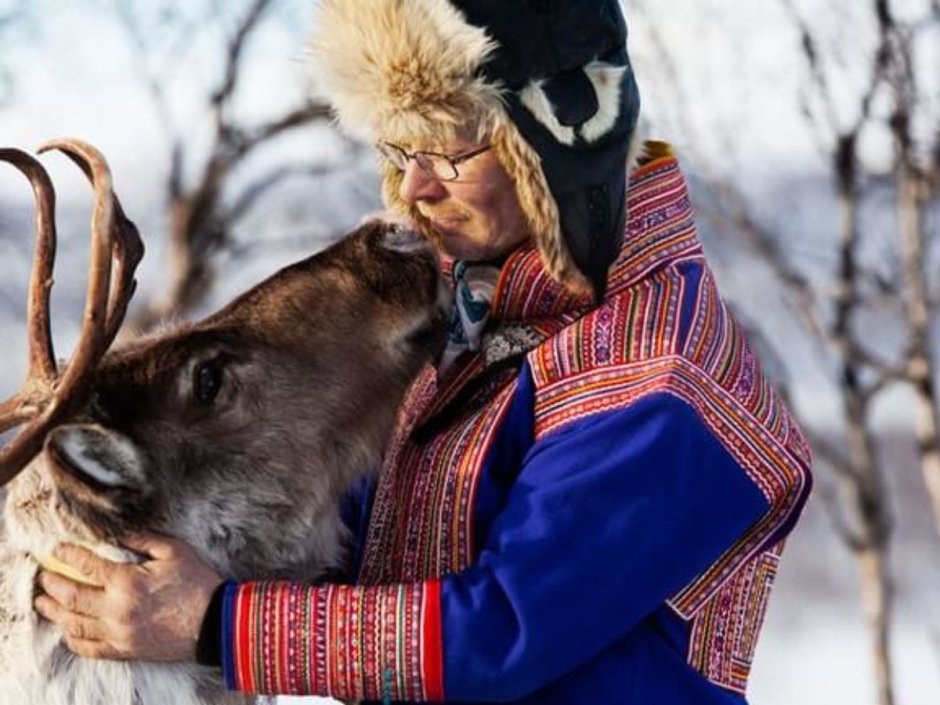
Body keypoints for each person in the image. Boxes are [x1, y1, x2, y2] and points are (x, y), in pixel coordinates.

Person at [33, 1, 813, 703]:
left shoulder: (657, 383)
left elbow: (500, 631)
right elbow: (372, 542)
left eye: (447, 152)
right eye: (400, 149)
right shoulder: (477, 321)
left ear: (556, 139)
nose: (414, 188)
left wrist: (215, 625)